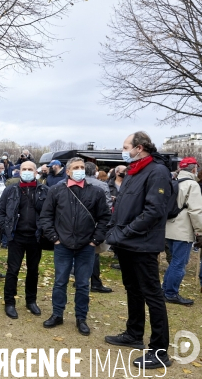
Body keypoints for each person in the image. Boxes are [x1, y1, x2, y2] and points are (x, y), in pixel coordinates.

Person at [104, 131, 172, 369]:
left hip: (142, 244)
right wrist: (113, 231)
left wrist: (125, 232)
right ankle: (134, 333)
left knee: (152, 294)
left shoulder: (157, 171)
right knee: (132, 289)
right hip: (126, 243)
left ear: (140, 147)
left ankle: (160, 350)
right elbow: (122, 205)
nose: (123, 150)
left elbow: (154, 211)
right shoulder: (134, 171)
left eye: (126, 146)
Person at [40, 157, 111, 336]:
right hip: (62, 244)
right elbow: (46, 216)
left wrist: (96, 239)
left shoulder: (96, 192)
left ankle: (81, 317)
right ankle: (57, 314)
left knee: (82, 284)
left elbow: (104, 218)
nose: (79, 170)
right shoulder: (56, 190)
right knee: (60, 281)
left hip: (86, 246)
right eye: (75, 167)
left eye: (81, 167)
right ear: (68, 171)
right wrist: (54, 238)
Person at [0, 161, 49, 319]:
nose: (27, 172)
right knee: (12, 271)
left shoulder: (44, 190)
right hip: (16, 237)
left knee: (33, 271)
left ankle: (31, 300)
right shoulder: (10, 189)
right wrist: (5, 229)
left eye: (30, 169)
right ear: (19, 171)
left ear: (35, 172)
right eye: (24, 169)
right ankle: (9, 302)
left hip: (36, 237)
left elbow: (50, 212)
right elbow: (0, 210)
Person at [163, 157, 202, 305]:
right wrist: (200, 232)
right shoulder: (192, 185)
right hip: (183, 230)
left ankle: (165, 289)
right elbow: (196, 211)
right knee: (179, 263)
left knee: (174, 262)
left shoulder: (172, 182)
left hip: (169, 228)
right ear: (193, 169)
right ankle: (171, 293)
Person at [84, 162, 113, 293]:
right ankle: (94, 281)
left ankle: (82, 278)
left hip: (76, 224)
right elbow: (107, 207)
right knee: (92, 253)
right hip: (95, 224)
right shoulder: (101, 185)